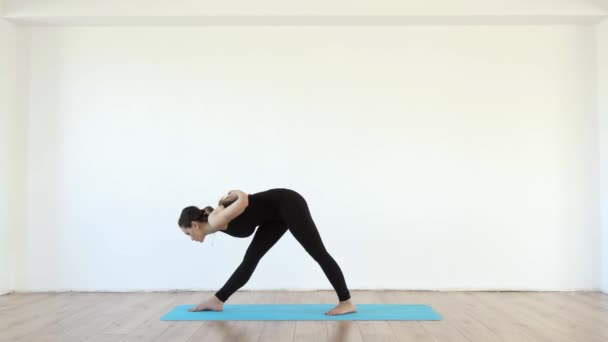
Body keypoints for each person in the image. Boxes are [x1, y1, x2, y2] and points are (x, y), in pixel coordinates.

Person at [178, 188, 357, 316]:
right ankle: (218, 300)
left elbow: (244, 200)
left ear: (194, 224)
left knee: (318, 253)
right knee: (250, 261)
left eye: (188, 233)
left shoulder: (215, 220)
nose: (190, 237)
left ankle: (346, 301)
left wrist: (238, 192)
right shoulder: (215, 219)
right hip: (272, 216)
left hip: (287, 203)